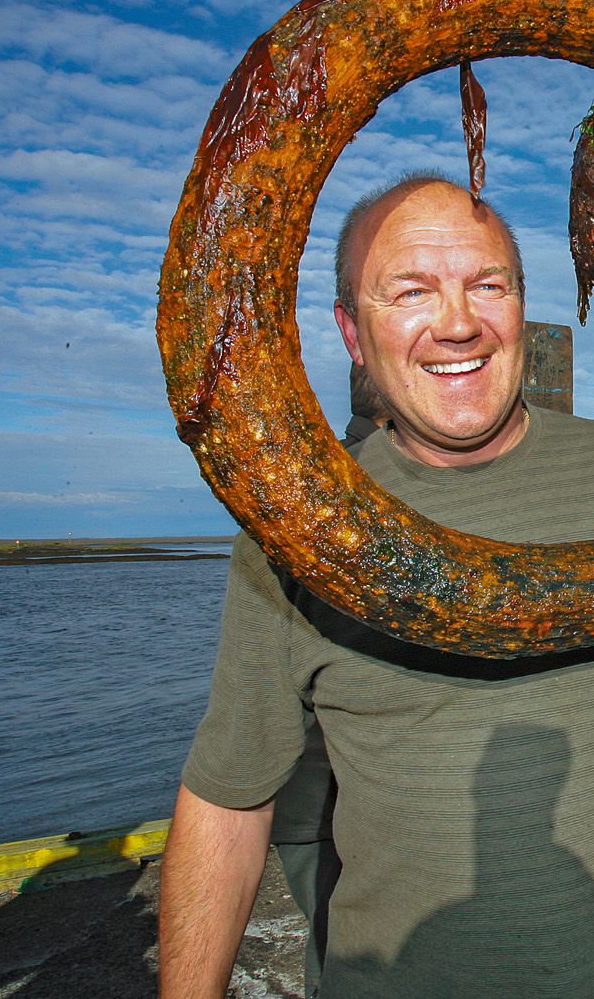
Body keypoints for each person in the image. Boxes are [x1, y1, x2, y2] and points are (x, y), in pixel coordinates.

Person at [157, 173, 594, 999]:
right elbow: (228, 801)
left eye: (487, 284)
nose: (457, 322)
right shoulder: (299, 532)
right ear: (352, 335)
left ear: (519, 308)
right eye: (411, 291)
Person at [267, 362, 391, 996]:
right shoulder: (365, 490)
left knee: (335, 951)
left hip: (305, 800)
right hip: (339, 798)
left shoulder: (311, 485)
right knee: (355, 959)